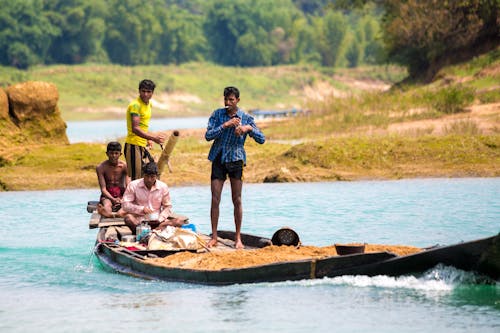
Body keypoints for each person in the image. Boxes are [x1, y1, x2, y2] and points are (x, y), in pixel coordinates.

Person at [205, 86, 266, 249]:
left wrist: (248, 129)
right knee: (215, 198)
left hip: (236, 159)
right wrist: (225, 125)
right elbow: (208, 136)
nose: (227, 103)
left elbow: (262, 139)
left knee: (237, 199)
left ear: (238, 100)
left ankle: (238, 238)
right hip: (218, 157)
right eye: (225, 99)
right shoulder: (217, 114)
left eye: (231, 100)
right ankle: (214, 237)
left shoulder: (246, 117)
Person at [122, 162, 185, 233]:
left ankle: (156, 229)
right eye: (147, 176)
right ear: (143, 175)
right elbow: (125, 205)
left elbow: (167, 207)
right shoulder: (133, 185)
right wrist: (142, 209)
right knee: (128, 218)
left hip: (158, 221)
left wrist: (160, 219)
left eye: (152, 177)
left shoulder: (163, 187)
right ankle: (147, 231)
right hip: (140, 222)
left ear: (156, 176)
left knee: (179, 221)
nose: (149, 179)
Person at [124, 79, 166, 181]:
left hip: (142, 145)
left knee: (151, 175)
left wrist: (148, 140)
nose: (145, 94)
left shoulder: (149, 104)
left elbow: (143, 125)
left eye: (148, 92)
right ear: (139, 91)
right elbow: (135, 128)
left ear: (152, 93)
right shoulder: (135, 105)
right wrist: (153, 138)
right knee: (136, 179)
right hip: (133, 145)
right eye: (143, 91)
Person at [96, 141, 130, 218]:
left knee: (128, 207)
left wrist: (124, 198)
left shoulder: (124, 166)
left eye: (116, 153)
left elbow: (128, 186)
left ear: (120, 154)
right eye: (111, 153)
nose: (113, 156)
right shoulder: (101, 167)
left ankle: (113, 214)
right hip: (107, 195)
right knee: (107, 206)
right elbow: (103, 189)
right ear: (107, 154)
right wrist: (113, 199)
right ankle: (109, 213)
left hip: (122, 194)